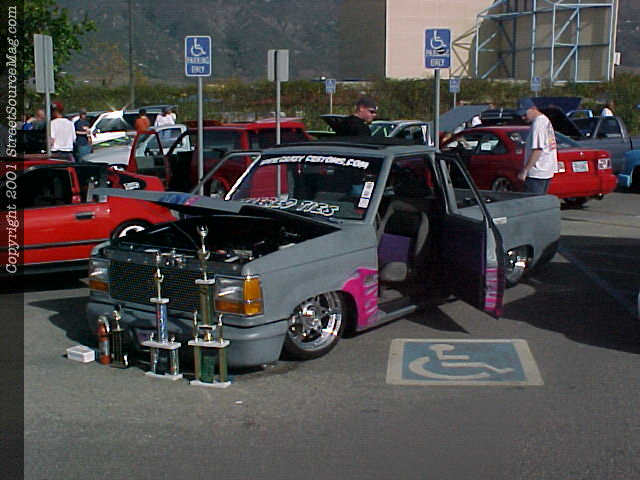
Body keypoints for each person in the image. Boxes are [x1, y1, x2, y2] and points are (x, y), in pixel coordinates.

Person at [516, 98, 557, 194]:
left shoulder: (538, 123)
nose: (523, 117)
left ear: (533, 108)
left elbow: (537, 150)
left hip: (537, 173)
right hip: (546, 171)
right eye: (521, 115)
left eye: (525, 114)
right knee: (540, 201)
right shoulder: (545, 120)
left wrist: (525, 170)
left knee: (532, 201)